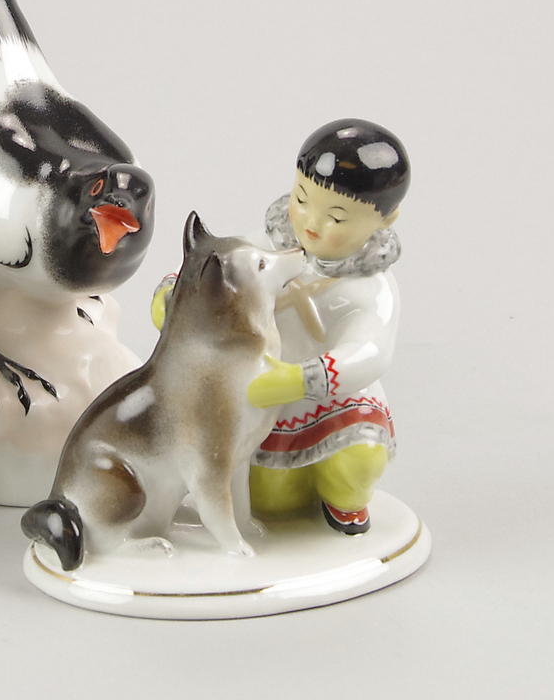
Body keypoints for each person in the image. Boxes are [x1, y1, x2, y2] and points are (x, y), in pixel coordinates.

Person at [151, 118, 410, 534]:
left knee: (358, 458)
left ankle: (344, 502)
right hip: (255, 387)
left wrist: (299, 379)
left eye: (337, 217)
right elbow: (219, 266)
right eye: (302, 199)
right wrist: (174, 297)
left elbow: (370, 350)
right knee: (271, 498)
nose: (311, 222)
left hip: (328, 400)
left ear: (385, 218)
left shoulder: (371, 289)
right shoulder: (266, 243)